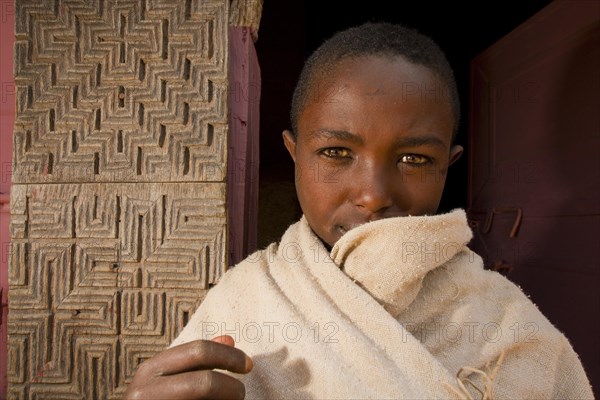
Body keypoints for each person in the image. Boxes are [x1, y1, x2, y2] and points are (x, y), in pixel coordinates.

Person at [124, 22, 593, 399]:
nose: (373, 194)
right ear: (294, 153)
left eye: (414, 160)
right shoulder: (245, 299)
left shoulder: (512, 332)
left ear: (448, 168)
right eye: (335, 152)